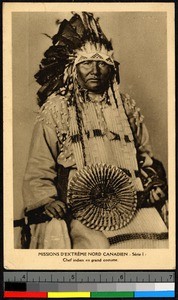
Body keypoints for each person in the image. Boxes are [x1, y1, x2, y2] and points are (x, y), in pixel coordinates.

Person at [22, 12, 168, 249]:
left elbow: (145, 157)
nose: (95, 70)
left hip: (131, 204)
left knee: (159, 245)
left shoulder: (126, 107)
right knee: (96, 248)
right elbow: (40, 165)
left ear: (111, 69)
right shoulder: (57, 109)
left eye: (102, 63)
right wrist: (46, 200)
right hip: (82, 210)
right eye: (87, 63)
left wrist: (153, 185)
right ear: (73, 68)